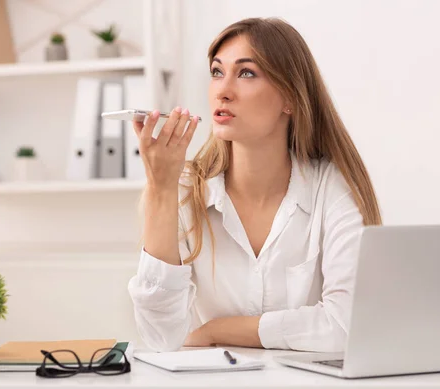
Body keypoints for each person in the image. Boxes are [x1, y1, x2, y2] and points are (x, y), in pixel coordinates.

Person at [127, 17, 382, 353]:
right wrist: (160, 188)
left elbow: (347, 325)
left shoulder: (332, 190)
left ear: (290, 97)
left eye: (246, 73)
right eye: (217, 72)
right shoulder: (184, 189)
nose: (223, 90)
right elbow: (161, 338)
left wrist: (220, 330)